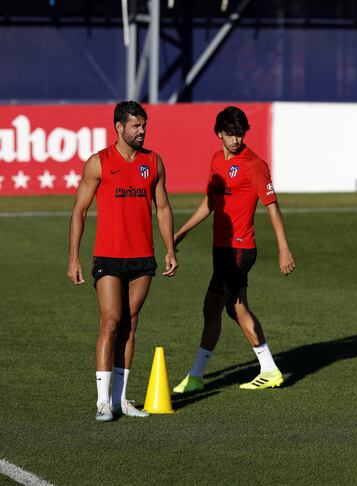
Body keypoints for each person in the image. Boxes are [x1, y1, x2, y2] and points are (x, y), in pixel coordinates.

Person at [67, 101, 178, 422]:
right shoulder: (98, 163)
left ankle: (121, 399)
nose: (141, 131)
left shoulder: (153, 162)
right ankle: (103, 402)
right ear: (118, 127)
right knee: (111, 320)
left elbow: (164, 207)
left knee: (130, 324)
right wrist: (73, 257)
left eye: (144, 126)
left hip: (143, 258)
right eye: (135, 126)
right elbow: (80, 210)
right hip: (109, 258)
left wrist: (170, 248)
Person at [173, 106, 295, 394]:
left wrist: (284, 249)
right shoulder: (216, 160)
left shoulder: (254, 164)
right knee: (235, 306)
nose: (236, 139)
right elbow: (210, 203)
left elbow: (273, 208)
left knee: (213, 305)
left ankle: (197, 375)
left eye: (240, 134)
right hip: (221, 250)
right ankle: (269, 370)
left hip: (240, 250)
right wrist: (182, 231)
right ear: (219, 134)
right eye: (230, 134)